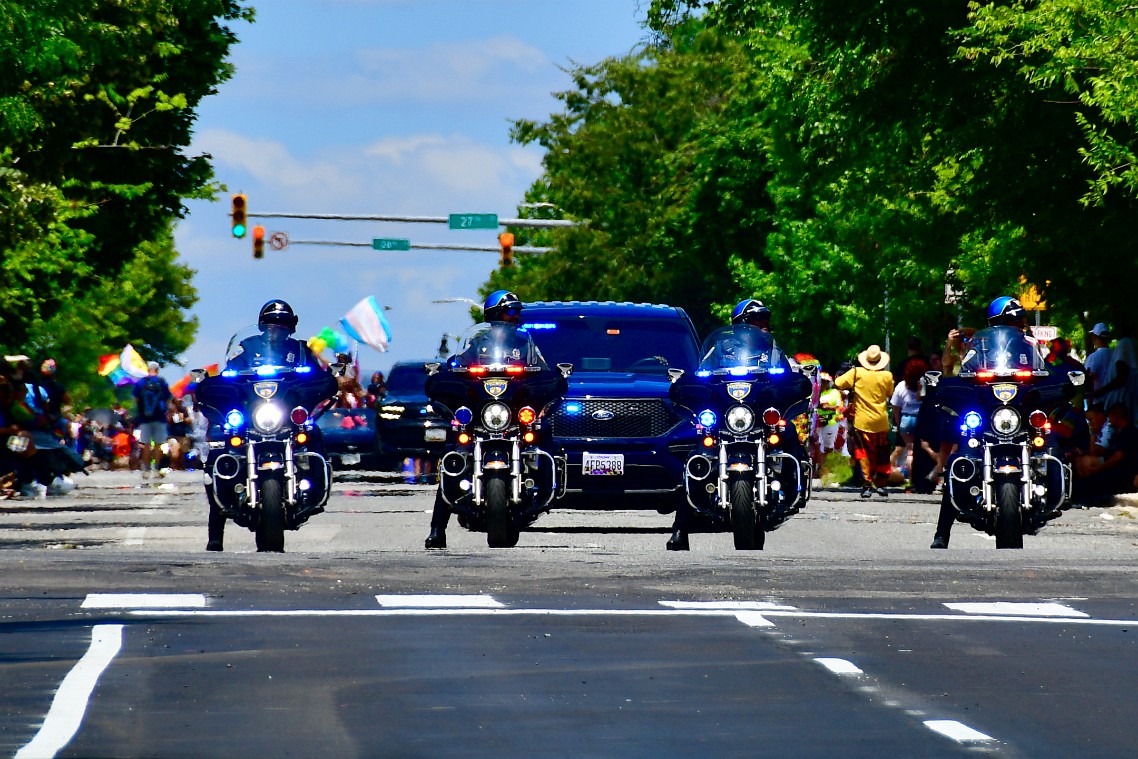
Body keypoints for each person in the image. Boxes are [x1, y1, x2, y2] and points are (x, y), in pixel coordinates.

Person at [425, 290, 523, 548]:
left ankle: (542, 486)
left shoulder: (525, 344)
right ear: (494, 314)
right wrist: (453, 368)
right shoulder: (478, 343)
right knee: (454, 457)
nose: (515, 317)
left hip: (511, 413)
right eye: (510, 311)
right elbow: (458, 363)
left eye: (516, 311)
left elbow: (543, 368)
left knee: (542, 435)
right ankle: (437, 529)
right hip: (481, 413)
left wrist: (548, 377)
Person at [834, 345, 894, 497]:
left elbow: (838, 383)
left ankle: (867, 484)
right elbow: (889, 393)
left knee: (864, 453)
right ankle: (880, 483)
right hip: (880, 420)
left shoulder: (857, 373)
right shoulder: (886, 376)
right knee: (881, 452)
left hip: (862, 420)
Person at [1071, 403, 1138, 505]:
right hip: (1114, 469)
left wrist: (1099, 468)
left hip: (1122, 473)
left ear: (1116, 416)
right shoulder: (1120, 433)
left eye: (1110, 417)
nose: (1109, 420)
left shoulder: (1129, 433)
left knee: (1089, 482)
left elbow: (1118, 457)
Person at [226, 299, 320, 371]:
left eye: (284, 323)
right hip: (252, 395)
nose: (278, 328)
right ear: (263, 325)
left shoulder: (301, 350)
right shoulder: (247, 346)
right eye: (271, 322)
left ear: (291, 326)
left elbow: (320, 377)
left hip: (292, 395)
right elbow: (230, 372)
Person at [132, 361, 171, 481]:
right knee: (159, 445)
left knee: (146, 445)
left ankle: (146, 470)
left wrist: (142, 412)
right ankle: (157, 469)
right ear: (157, 370)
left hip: (145, 419)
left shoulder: (141, 383)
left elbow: (136, 400)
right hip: (159, 418)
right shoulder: (162, 382)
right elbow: (168, 398)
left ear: (148, 369)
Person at [1083, 323, 1113, 400]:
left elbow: (1088, 382)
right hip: (1114, 401)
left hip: (1098, 403)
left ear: (1094, 337)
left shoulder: (1093, 357)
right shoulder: (1115, 354)